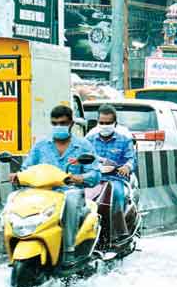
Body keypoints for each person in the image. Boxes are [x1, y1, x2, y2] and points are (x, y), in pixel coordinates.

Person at [10, 105, 100, 265]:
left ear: (71, 123)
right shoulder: (41, 145)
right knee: (15, 197)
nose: (59, 126)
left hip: (69, 193)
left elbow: (95, 175)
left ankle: (69, 250)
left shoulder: (83, 146)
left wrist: (78, 178)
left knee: (71, 198)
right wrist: (18, 175)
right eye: (55, 123)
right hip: (43, 195)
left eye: (63, 123)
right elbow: (27, 167)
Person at [86, 104, 136, 241]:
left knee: (116, 196)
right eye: (101, 122)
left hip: (116, 179)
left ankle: (117, 234)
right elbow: (81, 157)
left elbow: (131, 160)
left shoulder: (124, 140)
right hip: (93, 178)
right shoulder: (89, 140)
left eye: (108, 123)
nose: (104, 125)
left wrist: (126, 167)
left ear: (115, 123)